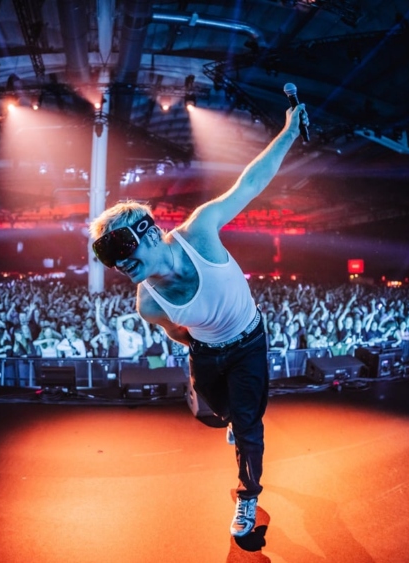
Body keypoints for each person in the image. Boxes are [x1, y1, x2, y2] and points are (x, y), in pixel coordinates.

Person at [89, 102, 305, 537]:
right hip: (206, 353)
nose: (119, 263)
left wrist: (289, 132)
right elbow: (178, 333)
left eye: (121, 248)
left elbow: (250, 184)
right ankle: (232, 419)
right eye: (108, 258)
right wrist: (209, 348)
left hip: (249, 343)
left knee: (249, 425)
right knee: (221, 411)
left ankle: (248, 496)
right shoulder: (148, 304)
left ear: (150, 231)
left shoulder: (200, 231)